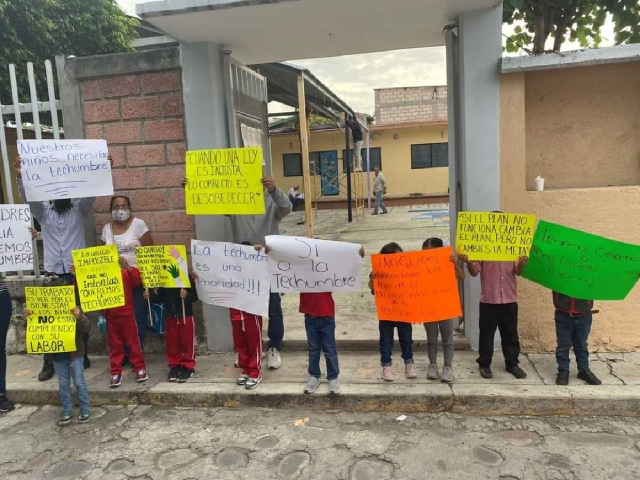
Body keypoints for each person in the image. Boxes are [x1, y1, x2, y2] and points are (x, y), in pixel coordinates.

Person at [14, 156, 112, 380]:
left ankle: (81, 354)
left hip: (75, 274)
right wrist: (21, 175)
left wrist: (102, 168)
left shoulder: (80, 210)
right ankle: (48, 362)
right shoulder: (43, 212)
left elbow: (90, 193)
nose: (62, 195)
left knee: (79, 315)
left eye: (66, 190)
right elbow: (28, 198)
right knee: (48, 318)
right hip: (52, 275)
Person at [182, 175, 291, 370]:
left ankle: (274, 346)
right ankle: (251, 349)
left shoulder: (271, 200)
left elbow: (287, 208)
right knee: (245, 308)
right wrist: (192, 188)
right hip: (242, 263)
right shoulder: (235, 200)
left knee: (273, 306)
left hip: (267, 259)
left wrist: (274, 190)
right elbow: (211, 202)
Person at [25, 285, 91, 426]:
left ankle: (85, 407)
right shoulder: (41, 311)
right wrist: (30, 318)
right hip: (57, 355)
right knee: (63, 383)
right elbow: (34, 331)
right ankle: (67, 409)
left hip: (75, 353)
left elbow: (86, 327)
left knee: (79, 381)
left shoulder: (75, 308)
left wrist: (79, 316)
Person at [459, 252, 529, 380]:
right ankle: (484, 364)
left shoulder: (511, 248)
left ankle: (512, 364)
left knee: (510, 334)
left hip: (509, 300)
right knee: (486, 335)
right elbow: (474, 272)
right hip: (489, 301)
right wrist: (469, 261)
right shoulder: (485, 248)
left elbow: (517, 272)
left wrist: (522, 264)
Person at [101, 195, 154, 355]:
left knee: (137, 316)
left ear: (129, 208)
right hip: (116, 283)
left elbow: (150, 251)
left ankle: (135, 353)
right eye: (116, 207)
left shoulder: (138, 225)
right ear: (111, 210)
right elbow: (102, 254)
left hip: (135, 280)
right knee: (117, 319)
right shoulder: (106, 229)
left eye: (124, 206)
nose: (120, 210)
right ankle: (123, 353)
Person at [369, 242, 415, 381]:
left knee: (406, 339)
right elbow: (373, 291)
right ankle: (386, 367)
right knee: (385, 341)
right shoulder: (378, 273)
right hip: (387, 313)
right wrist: (373, 281)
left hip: (403, 311)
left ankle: (409, 364)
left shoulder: (407, 271)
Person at [422, 237, 465, 383]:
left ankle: (447, 366)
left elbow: (462, 277)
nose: (429, 256)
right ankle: (432, 364)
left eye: (432, 252)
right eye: (425, 253)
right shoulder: (420, 267)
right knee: (431, 339)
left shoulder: (448, 263)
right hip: (429, 307)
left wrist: (454, 264)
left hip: (446, 306)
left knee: (448, 339)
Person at [145, 270, 199, 383]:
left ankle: (188, 366)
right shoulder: (164, 277)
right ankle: (175, 365)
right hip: (170, 314)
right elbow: (161, 297)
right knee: (172, 342)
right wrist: (150, 296)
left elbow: (195, 297)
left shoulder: (186, 276)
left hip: (185, 315)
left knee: (187, 342)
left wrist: (187, 295)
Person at [102, 256, 148, 388]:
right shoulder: (101, 277)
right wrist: (78, 275)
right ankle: (116, 371)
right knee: (115, 345)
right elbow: (85, 287)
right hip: (110, 314)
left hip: (126, 312)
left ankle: (139, 367)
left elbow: (138, 281)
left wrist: (127, 266)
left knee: (133, 342)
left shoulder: (124, 273)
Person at [229, 243, 265, 390]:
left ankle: (255, 372)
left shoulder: (255, 268)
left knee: (254, 342)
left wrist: (259, 251)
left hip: (251, 312)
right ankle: (245, 369)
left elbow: (267, 266)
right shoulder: (230, 270)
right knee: (240, 343)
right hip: (235, 312)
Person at [553, 291, 601, 386]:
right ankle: (563, 371)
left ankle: (583, 370)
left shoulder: (590, 275)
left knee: (581, 344)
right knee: (563, 345)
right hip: (563, 314)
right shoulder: (561, 275)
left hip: (584, 315)